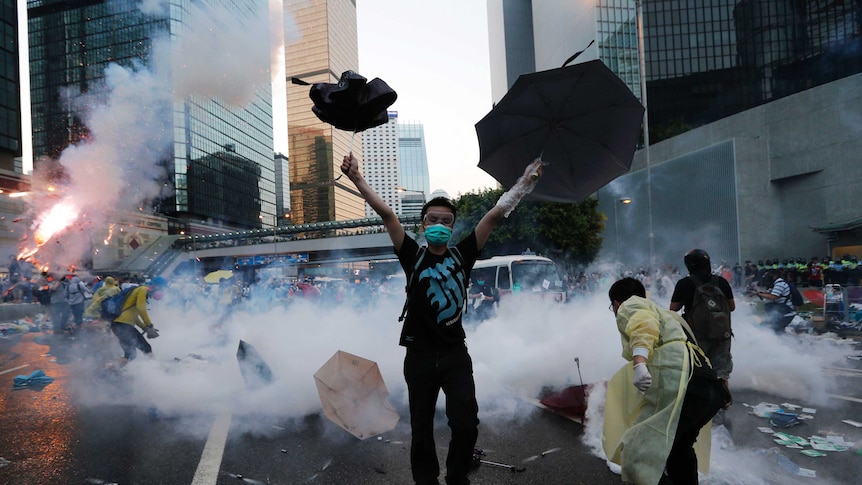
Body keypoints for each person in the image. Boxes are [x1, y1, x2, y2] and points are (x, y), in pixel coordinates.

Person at [342, 151, 543, 485]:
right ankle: (426, 480)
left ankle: (457, 477)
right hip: (418, 357)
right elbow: (387, 213)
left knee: (466, 424)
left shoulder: (463, 255)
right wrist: (357, 178)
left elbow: (493, 216)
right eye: (432, 219)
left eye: (446, 220)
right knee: (421, 428)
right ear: (423, 224)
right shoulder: (412, 255)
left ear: (453, 226)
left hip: (455, 356)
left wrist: (524, 183)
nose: (439, 225)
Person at [603, 277, 727, 485]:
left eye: (612, 307)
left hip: (683, 386)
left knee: (636, 455)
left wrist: (639, 363)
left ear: (616, 303)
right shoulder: (667, 315)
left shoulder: (632, 304)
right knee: (679, 450)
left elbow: (644, 327)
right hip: (708, 389)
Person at [669, 249, 736, 381]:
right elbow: (732, 307)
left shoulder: (684, 283)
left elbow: (673, 309)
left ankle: (702, 399)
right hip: (722, 333)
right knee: (721, 373)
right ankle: (724, 399)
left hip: (696, 336)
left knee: (697, 371)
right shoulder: (721, 282)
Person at [108, 275, 167, 368]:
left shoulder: (140, 290)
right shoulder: (143, 290)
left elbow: (134, 317)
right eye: (162, 288)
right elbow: (141, 308)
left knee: (131, 354)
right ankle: (156, 370)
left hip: (120, 325)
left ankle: (108, 369)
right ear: (157, 286)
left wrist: (145, 327)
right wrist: (149, 325)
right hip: (123, 325)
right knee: (145, 349)